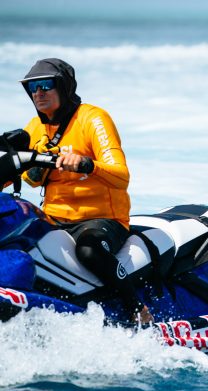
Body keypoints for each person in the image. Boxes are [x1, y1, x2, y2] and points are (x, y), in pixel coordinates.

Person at [19, 58, 152, 323]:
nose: (38, 93)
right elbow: (29, 179)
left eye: (46, 85)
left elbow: (121, 176)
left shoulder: (93, 119)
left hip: (101, 219)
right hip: (54, 218)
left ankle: (137, 309)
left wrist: (88, 164)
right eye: (33, 87)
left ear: (64, 87)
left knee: (89, 251)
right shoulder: (34, 128)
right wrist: (34, 168)